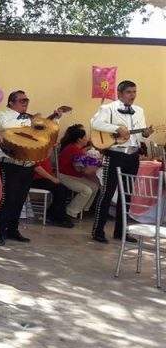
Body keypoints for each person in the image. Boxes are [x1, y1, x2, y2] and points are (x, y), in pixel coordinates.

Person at [0, 90, 66, 245]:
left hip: (28, 164)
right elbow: (3, 125)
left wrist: (54, 119)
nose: (25, 103)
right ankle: (0, 233)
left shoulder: (30, 119)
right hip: (10, 164)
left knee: (20, 199)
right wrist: (30, 121)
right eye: (22, 100)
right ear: (11, 103)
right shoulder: (3, 115)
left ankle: (13, 230)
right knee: (8, 199)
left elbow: (45, 133)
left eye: (27, 100)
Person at [90, 80, 153, 243]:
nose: (133, 95)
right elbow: (95, 123)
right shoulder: (108, 108)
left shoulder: (139, 110)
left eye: (134, 92)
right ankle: (98, 230)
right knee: (107, 192)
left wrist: (145, 134)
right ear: (120, 93)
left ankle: (121, 231)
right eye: (129, 92)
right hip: (114, 153)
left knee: (127, 194)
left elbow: (139, 134)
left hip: (132, 155)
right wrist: (116, 128)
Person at [57, 124, 101, 220]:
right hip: (65, 176)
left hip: (73, 175)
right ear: (79, 139)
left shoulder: (75, 148)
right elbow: (83, 170)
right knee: (86, 190)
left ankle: (82, 209)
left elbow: (85, 161)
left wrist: (98, 162)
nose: (87, 139)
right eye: (85, 137)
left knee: (95, 186)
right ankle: (70, 211)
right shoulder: (74, 150)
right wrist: (98, 164)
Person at [30, 155, 74, 227]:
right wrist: (52, 179)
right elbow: (38, 169)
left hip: (44, 179)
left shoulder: (45, 154)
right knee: (60, 190)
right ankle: (58, 217)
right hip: (36, 179)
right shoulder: (37, 154)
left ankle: (52, 214)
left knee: (63, 189)